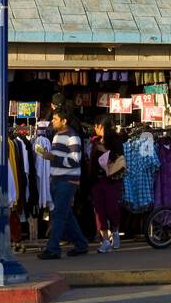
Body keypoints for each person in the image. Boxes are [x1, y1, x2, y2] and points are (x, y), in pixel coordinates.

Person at [35, 104, 89, 259]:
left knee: (59, 214)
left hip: (68, 181)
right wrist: (48, 156)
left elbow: (75, 160)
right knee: (65, 214)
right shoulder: (57, 136)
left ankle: (53, 249)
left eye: (55, 119)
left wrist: (52, 157)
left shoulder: (73, 137)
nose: (52, 121)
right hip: (57, 180)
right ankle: (81, 244)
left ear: (64, 121)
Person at [90, 113, 124, 253]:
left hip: (111, 180)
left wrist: (104, 150)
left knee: (112, 209)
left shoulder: (116, 140)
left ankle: (115, 231)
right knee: (99, 211)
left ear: (101, 126)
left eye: (96, 126)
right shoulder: (94, 141)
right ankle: (104, 240)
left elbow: (119, 158)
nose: (94, 128)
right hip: (97, 181)